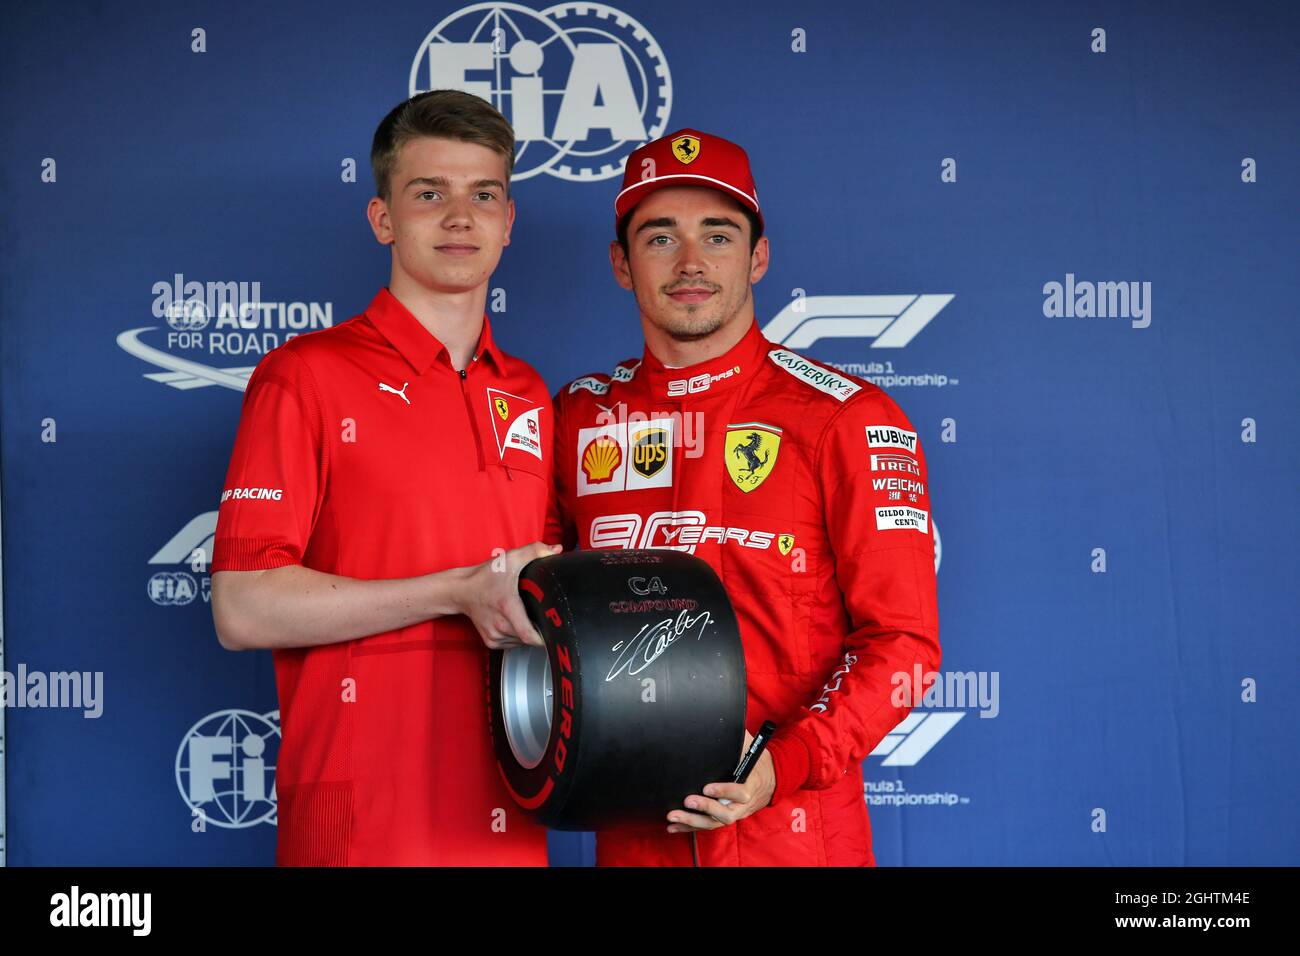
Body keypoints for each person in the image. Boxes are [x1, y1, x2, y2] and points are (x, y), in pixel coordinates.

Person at [546, 129, 942, 866]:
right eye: (659, 237)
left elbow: (905, 645)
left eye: (718, 236)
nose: (691, 263)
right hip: (630, 834)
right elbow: (524, 614)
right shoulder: (576, 418)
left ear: (758, 257)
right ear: (620, 265)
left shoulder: (847, 417)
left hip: (794, 836)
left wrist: (781, 766)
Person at [210, 90, 557, 866]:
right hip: (362, 825)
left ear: (509, 222)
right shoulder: (304, 377)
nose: (460, 217)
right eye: (430, 194)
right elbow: (242, 607)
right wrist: (455, 592)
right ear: (384, 220)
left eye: (484, 195)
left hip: (514, 813)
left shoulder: (530, 393)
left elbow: (550, 599)